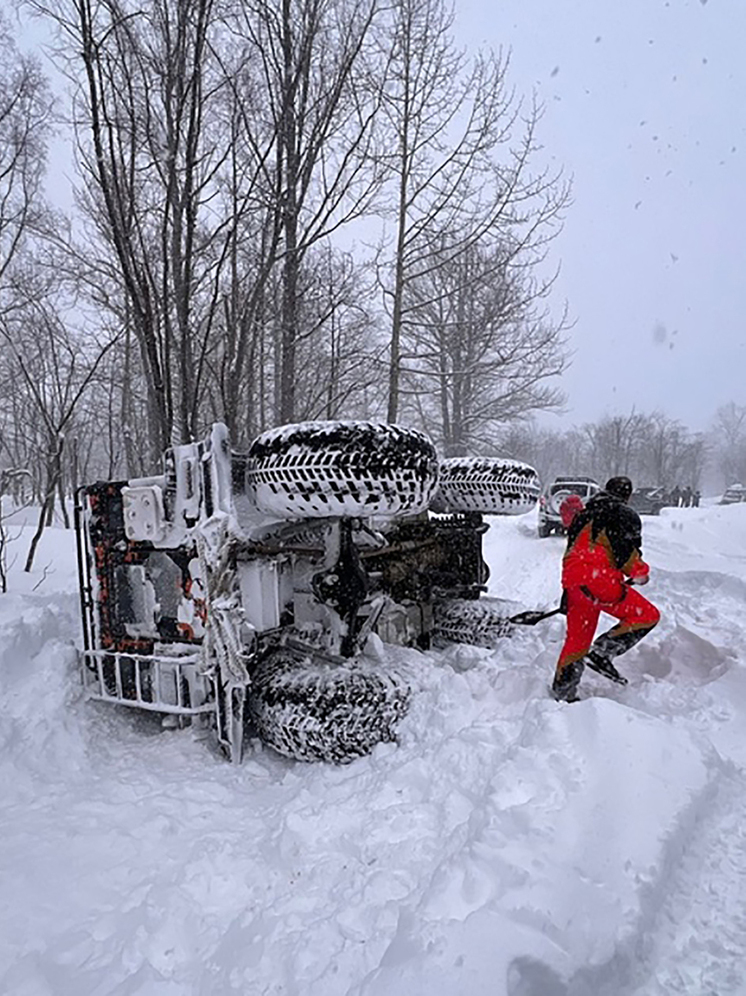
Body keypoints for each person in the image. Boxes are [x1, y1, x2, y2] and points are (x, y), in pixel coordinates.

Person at [552, 475, 660, 702]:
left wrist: (568, 594)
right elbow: (626, 554)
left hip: (574, 583)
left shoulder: (584, 514)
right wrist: (640, 574)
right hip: (599, 582)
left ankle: (563, 692)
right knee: (647, 616)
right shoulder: (623, 514)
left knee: (577, 641)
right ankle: (602, 652)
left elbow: (573, 551)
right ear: (627, 495)